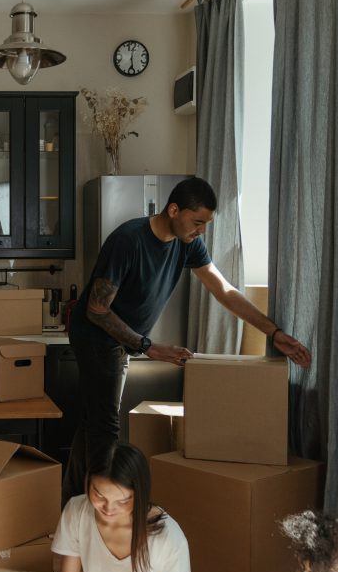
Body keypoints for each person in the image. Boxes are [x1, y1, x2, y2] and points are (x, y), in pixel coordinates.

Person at [63, 177, 312, 503]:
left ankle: (72, 503)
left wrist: (274, 333)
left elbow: (223, 290)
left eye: (206, 224)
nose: (202, 231)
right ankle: (100, 514)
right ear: (174, 209)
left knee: (94, 421)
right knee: (106, 428)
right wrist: (148, 346)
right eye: (197, 222)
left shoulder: (187, 243)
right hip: (95, 336)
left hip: (125, 338)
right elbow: (96, 310)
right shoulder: (128, 240)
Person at [53, 442, 195, 572]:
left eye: (123, 501)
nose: (108, 508)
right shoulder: (77, 511)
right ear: (88, 482)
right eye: (99, 495)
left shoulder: (168, 536)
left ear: (139, 493)